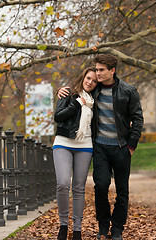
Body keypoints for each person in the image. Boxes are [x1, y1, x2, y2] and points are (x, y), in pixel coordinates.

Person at [58, 54, 144, 240]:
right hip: (100, 147)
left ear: (112, 70)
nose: (97, 74)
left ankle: (118, 229)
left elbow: (137, 118)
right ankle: (103, 226)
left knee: (122, 189)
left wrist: (132, 145)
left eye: (101, 70)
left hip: (122, 147)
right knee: (101, 186)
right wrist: (61, 90)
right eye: (96, 70)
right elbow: (77, 92)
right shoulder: (93, 91)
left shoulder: (128, 91)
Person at [53, 67, 98, 240]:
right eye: (88, 78)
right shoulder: (68, 93)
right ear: (83, 77)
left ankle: (77, 230)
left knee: (79, 188)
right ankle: (63, 225)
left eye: (94, 81)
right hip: (63, 142)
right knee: (63, 183)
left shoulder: (96, 99)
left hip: (85, 145)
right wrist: (76, 104)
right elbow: (58, 117)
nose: (90, 82)